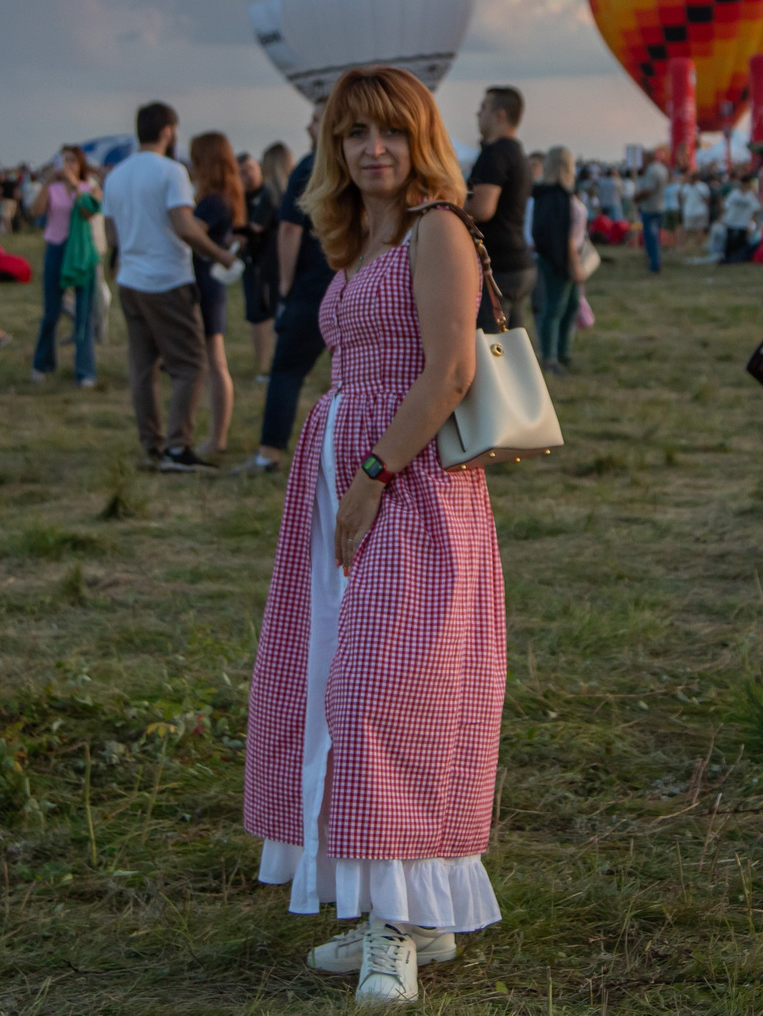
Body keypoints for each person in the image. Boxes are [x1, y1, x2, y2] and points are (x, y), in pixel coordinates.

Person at [241, 64, 501, 1006]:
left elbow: (451, 371)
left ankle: (399, 922)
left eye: (389, 131)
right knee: (338, 679)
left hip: (412, 483)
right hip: (346, 472)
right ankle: (402, 910)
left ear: (419, 136)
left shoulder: (438, 225)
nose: (372, 148)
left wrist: (371, 478)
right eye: (354, 134)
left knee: (388, 689)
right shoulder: (359, 234)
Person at [107, 102, 238, 473]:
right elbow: (184, 226)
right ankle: (179, 447)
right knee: (190, 364)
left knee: (143, 367)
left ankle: (153, 443)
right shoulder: (172, 172)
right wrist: (222, 256)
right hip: (166, 279)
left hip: (129, 280)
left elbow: (113, 234)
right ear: (168, 130)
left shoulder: (116, 175)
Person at [248, 107, 332, 476]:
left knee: (286, 370)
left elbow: (289, 229)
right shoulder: (354, 168)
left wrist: (284, 283)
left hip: (312, 283)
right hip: (352, 281)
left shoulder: (310, 166)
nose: (307, 125)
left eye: (315, 118)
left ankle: (269, 453)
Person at [188, 130, 247, 463]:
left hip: (206, 282)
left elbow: (190, 232)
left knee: (215, 362)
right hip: (212, 282)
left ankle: (217, 437)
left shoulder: (212, 202)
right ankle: (216, 435)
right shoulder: (224, 196)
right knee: (214, 362)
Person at [464, 86, 536, 334]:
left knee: (491, 347)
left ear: (499, 115)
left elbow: (483, 209)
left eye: (483, 108)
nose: (477, 115)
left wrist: (446, 204)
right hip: (519, 263)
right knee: (513, 347)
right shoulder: (518, 153)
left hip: (497, 267)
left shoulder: (494, 153)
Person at [29, 147, 103, 387]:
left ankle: (85, 371)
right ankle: (43, 362)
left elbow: (86, 212)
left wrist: (74, 185)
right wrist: (49, 182)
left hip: (81, 252)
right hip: (56, 248)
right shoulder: (52, 189)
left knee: (84, 315)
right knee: (51, 312)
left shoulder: (90, 190)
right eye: (64, 160)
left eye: (72, 160)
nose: (67, 164)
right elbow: (35, 211)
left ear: (80, 164)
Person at [528, 145, 589, 368]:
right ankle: (550, 357)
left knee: (571, 305)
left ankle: (561, 351)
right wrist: (573, 264)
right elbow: (563, 237)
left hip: (555, 256)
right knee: (555, 307)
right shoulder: (557, 196)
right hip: (560, 259)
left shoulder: (546, 194)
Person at [243, 144, 289, 378]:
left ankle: (265, 367)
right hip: (287, 258)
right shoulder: (293, 190)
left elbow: (256, 227)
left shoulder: (269, 194)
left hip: (266, 261)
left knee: (263, 313)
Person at [635, 152, 672, 273]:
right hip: (661, 206)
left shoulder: (652, 170)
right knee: (656, 237)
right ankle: (656, 261)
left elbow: (647, 191)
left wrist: (636, 198)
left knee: (651, 239)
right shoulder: (662, 168)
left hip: (651, 208)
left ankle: (654, 264)